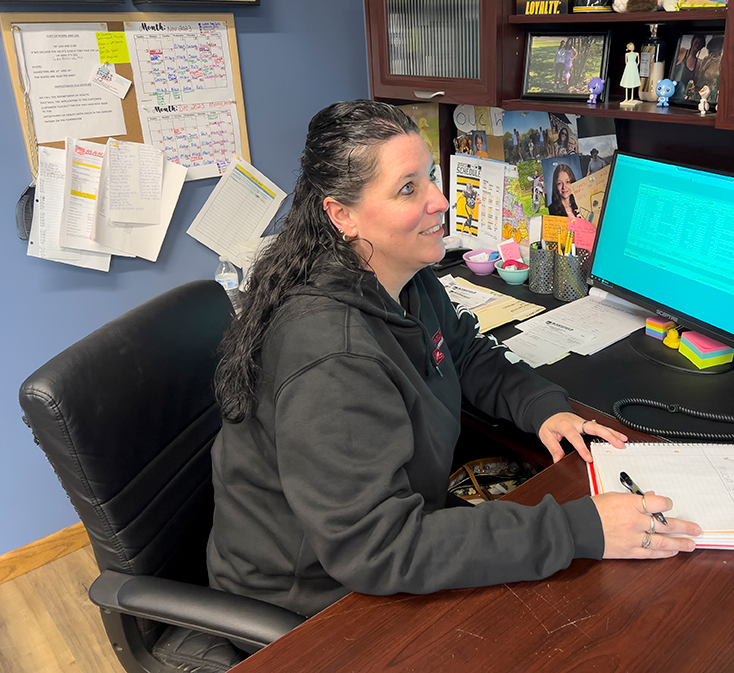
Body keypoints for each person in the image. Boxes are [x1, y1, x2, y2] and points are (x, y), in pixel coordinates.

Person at [207, 100, 699, 619]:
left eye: (431, 177)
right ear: (341, 215)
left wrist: (541, 407)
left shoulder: (404, 277)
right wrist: (581, 528)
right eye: (408, 188)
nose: (440, 201)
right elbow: (378, 548)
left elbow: (463, 353)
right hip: (313, 602)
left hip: (387, 541)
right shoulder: (331, 352)